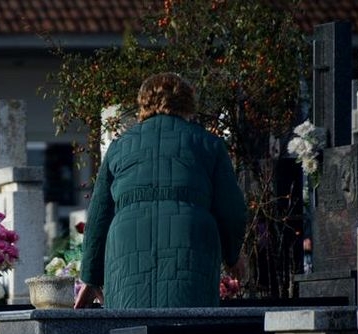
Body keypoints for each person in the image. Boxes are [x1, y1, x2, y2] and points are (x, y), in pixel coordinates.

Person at [75, 72, 247, 309]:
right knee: (189, 326)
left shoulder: (119, 147)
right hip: (190, 240)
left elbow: (98, 216)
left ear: (143, 103)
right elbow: (232, 210)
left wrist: (91, 276)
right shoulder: (208, 144)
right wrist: (232, 256)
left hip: (127, 245)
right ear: (188, 103)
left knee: (128, 332)